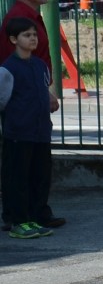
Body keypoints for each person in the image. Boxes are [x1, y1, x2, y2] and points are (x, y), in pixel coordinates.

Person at [1, 16, 56, 238]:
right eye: (27, 35)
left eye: (34, 35)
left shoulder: (40, 65)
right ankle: (18, 221)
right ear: (14, 39)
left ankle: (34, 217)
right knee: (18, 178)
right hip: (19, 133)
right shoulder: (8, 69)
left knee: (40, 176)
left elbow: (43, 91)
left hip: (41, 132)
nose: (32, 39)